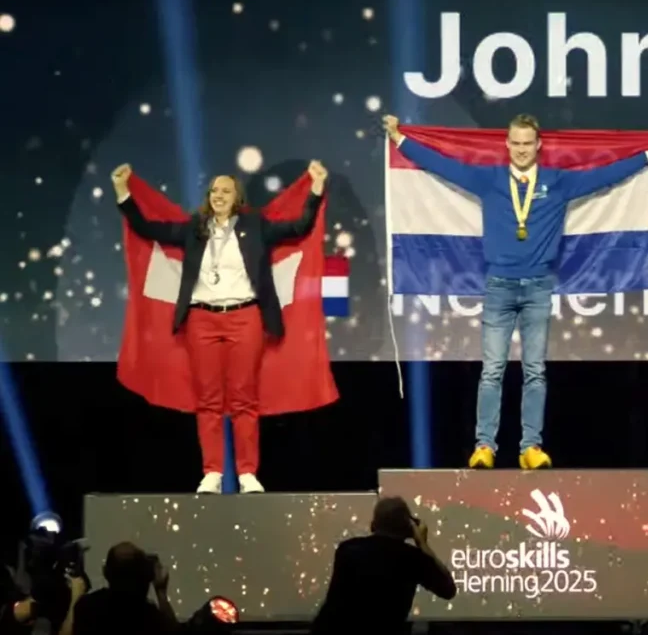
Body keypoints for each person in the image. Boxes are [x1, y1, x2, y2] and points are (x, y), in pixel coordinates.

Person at [383, 113, 648, 469]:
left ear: (538, 145)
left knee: (535, 370)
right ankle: (484, 446)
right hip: (499, 287)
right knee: (492, 370)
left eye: (527, 144)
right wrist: (400, 139)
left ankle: (530, 447)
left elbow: (603, 176)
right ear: (507, 145)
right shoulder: (490, 180)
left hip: (538, 287)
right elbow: (444, 166)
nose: (521, 150)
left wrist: (647, 156)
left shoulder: (558, 182)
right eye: (515, 144)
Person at [111, 161, 328, 494]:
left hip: (245, 317)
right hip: (202, 319)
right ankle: (212, 472)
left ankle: (246, 474)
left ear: (236, 197)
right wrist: (123, 192)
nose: (219, 196)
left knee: (244, 398)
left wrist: (315, 188)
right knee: (209, 399)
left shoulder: (255, 225)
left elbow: (299, 226)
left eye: (226, 191)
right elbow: (147, 228)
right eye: (214, 191)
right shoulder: (194, 227)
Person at [311, 496, 456, 635]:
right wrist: (422, 543)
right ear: (408, 528)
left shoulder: (347, 549)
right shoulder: (412, 559)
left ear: (373, 525)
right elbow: (448, 589)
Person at [70, 542, 177, 635]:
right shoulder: (151, 618)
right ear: (146, 576)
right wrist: (161, 593)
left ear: (106, 573)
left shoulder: (86, 609)